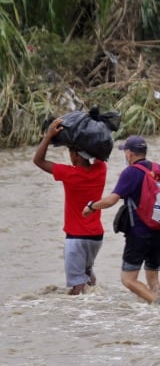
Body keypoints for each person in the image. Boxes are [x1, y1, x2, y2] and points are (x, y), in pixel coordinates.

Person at [83, 136, 160, 304]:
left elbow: (111, 200)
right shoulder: (157, 167)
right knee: (153, 275)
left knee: (128, 279)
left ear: (129, 153)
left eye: (125, 151)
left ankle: (158, 304)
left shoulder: (131, 172)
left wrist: (91, 206)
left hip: (139, 233)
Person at [33, 118, 107, 295]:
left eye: (70, 152)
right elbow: (99, 154)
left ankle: (76, 316)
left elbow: (38, 160)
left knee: (77, 286)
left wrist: (48, 136)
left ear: (75, 155)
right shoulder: (101, 170)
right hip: (96, 237)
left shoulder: (69, 174)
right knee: (88, 275)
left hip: (76, 238)